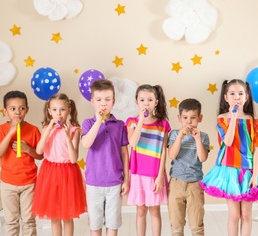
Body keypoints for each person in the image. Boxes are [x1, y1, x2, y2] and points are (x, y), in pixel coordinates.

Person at [200, 79, 258, 236]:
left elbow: (257, 150)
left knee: (246, 215)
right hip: (229, 171)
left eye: (240, 93)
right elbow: (228, 141)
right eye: (232, 94)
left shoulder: (253, 121)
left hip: (249, 170)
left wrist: (256, 175)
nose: (236, 97)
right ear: (226, 97)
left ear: (247, 96)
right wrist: (234, 116)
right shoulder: (222, 119)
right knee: (234, 215)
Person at [32, 93, 86, 236]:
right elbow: (39, 151)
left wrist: (68, 137)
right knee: (54, 215)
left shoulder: (74, 130)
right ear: (49, 111)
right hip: (50, 172)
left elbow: (74, 159)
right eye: (54, 110)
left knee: (67, 216)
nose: (58, 113)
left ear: (69, 110)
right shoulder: (46, 129)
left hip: (68, 173)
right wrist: (48, 129)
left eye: (62, 109)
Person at [81, 79, 130, 236]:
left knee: (113, 223)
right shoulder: (88, 123)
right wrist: (98, 121)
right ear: (92, 102)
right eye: (99, 100)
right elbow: (86, 144)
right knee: (95, 224)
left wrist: (127, 179)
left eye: (107, 99)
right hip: (94, 183)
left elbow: (124, 153)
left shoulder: (119, 124)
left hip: (115, 182)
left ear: (113, 101)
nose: (103, 103)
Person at [0, 90, 43, 235]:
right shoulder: (0, 130)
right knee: (11, 221)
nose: (17, 112)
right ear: (5, 111)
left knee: (29, 220)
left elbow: (40, 155)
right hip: (8, 183)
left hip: (29, 182)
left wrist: (27, 149)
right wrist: (11, 132)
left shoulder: (33, 130)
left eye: (21, 108)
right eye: (12, 109)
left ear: (27, 109)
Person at [126, 84, 171, 236]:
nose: (146, 103)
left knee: (155, 210)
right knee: (140, 210)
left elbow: (163, 152)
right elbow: (132, 143)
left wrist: (160, 176)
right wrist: (141, 121)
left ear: (156, 102)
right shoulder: (131, 122)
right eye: (142, 100)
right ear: (136, 102)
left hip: (154, 174)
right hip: (138, 174)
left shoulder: (163, 124)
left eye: (150, 100)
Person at [167, 98, 210, 236]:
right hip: (176, 184)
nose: (189, 122)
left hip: (195, 185)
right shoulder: (174, 134)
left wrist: (197, 139)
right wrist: (180, 137)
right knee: (176, 226)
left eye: (193, 118)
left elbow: (203, 158)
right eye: (185, 118)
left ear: (200, 118)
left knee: (197, 226)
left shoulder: (203, 137)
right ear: (179, 118)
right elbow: (172, 155)